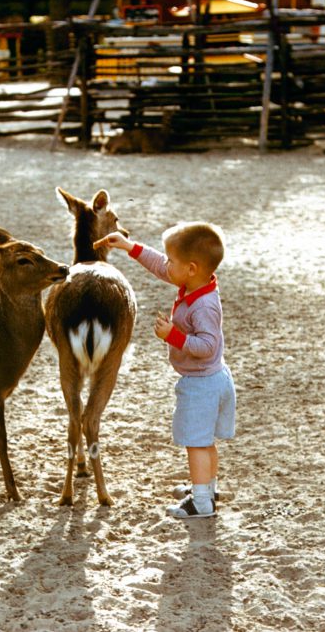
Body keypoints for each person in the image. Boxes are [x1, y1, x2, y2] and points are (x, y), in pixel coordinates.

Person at [95, 222, 236, 519]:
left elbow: (207, 345)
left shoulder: (204, 306)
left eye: (173, 261)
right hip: (210, 379)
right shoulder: (195, 284)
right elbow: (161, 266)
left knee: (196, 444)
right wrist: (129, 247)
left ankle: (201, 503)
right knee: (205, 442)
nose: (166, 264)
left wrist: (174, 336)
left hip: (202, 384)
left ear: (192, 268)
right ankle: (207, 489)